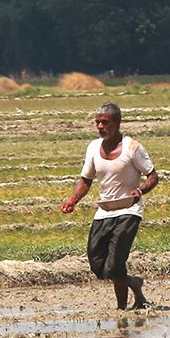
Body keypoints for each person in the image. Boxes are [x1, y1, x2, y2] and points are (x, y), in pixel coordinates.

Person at [61, 102, 159, 310]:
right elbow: (86, 180)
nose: (99, 126)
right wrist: (72, 200)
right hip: (104, 211)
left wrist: (140, 190)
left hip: (129, 210)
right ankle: (132, 282)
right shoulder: (93, 148)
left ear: (117, 122)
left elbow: (153, 176)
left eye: (104, 122)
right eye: (97, 123)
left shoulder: (133, 148)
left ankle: (122, 309)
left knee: (115, 264)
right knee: (97, 265)